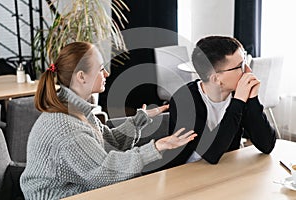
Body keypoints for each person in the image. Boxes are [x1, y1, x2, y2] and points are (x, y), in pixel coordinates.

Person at [20, 42, 196, 199]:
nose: (107, 73)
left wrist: (138, 120)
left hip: (77, 186)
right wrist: (155, 148)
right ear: (81, 77)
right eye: (101, 68)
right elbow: (105, 173)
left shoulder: (76, 110)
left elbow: (109, 142)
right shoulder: (68, 128)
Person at [161, 36, 276, 168]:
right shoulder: (184, 101)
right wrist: (238, 102)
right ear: (216, 79)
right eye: (240, 66)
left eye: (245, 62)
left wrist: (253, 100)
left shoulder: (238, 94)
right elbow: (211, 153)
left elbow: (267, 145)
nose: (247, 71)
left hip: (226, 167)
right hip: (186, 172)